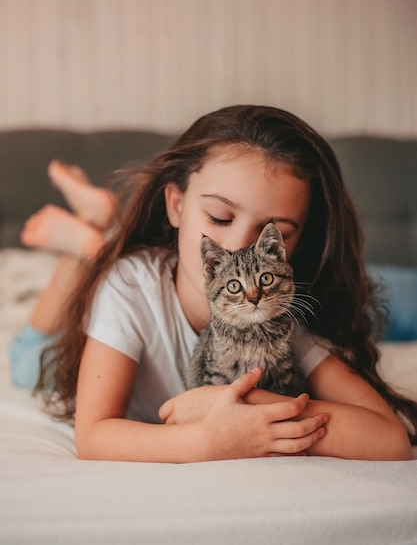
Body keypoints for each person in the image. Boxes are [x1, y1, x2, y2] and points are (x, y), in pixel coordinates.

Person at [13, 105, 417, 462]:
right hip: (71, 347)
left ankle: (93, 237)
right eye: (220, 219)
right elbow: (93, 436)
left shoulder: (284, 314)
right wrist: (209, 438)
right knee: (28, 357)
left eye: (271, 234)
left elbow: (389, 440)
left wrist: (246, 410)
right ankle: (88, 245)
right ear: (176, 205)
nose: (240, 247)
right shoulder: (130, 286)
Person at [8, 160, 117, 389]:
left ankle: (92, 243)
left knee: (22, 357)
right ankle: (90, 235)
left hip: (114, 354)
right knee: (30, 346)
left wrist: (92, 245)